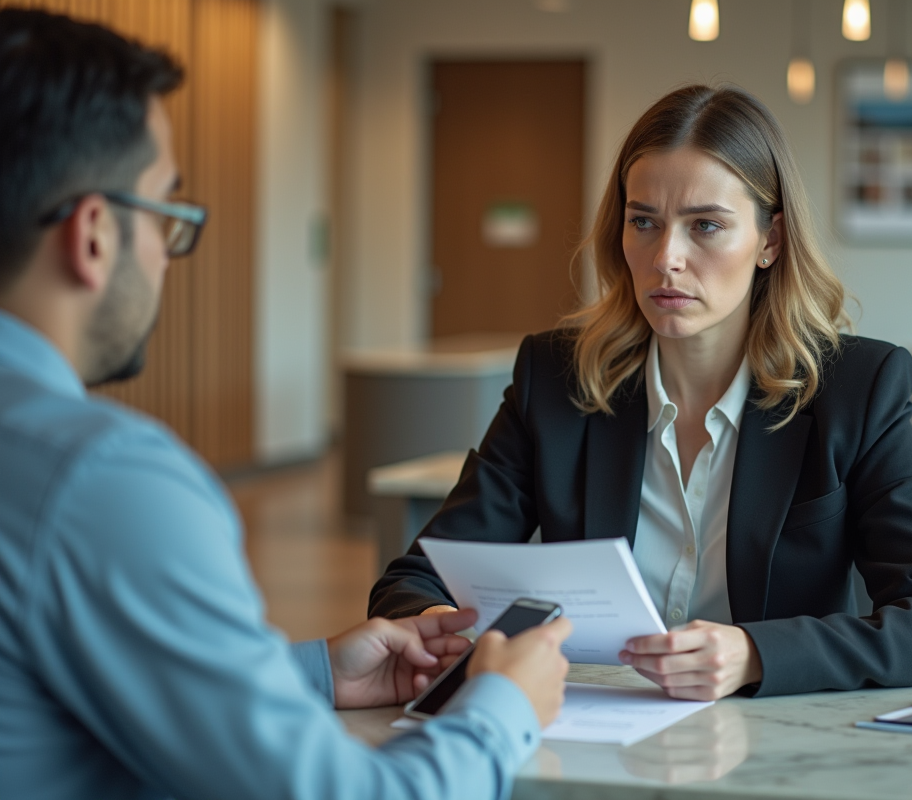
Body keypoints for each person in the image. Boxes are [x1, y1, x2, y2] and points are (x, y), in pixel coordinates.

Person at [0, 9, 571, 800]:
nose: (167, 259)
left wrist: (314, 673)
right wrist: (503, 706)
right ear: (94, 235)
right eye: (167, 216)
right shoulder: (99, 481)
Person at [370, 84, 912, 701]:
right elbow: (416, 580)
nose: (667, 258)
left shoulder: (855, 388)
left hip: (768, 741)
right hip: (588, 728)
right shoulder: (555, 379)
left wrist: (754, 654)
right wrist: (440, 629)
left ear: (770, 241)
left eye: (706, 226)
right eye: (644, 222)